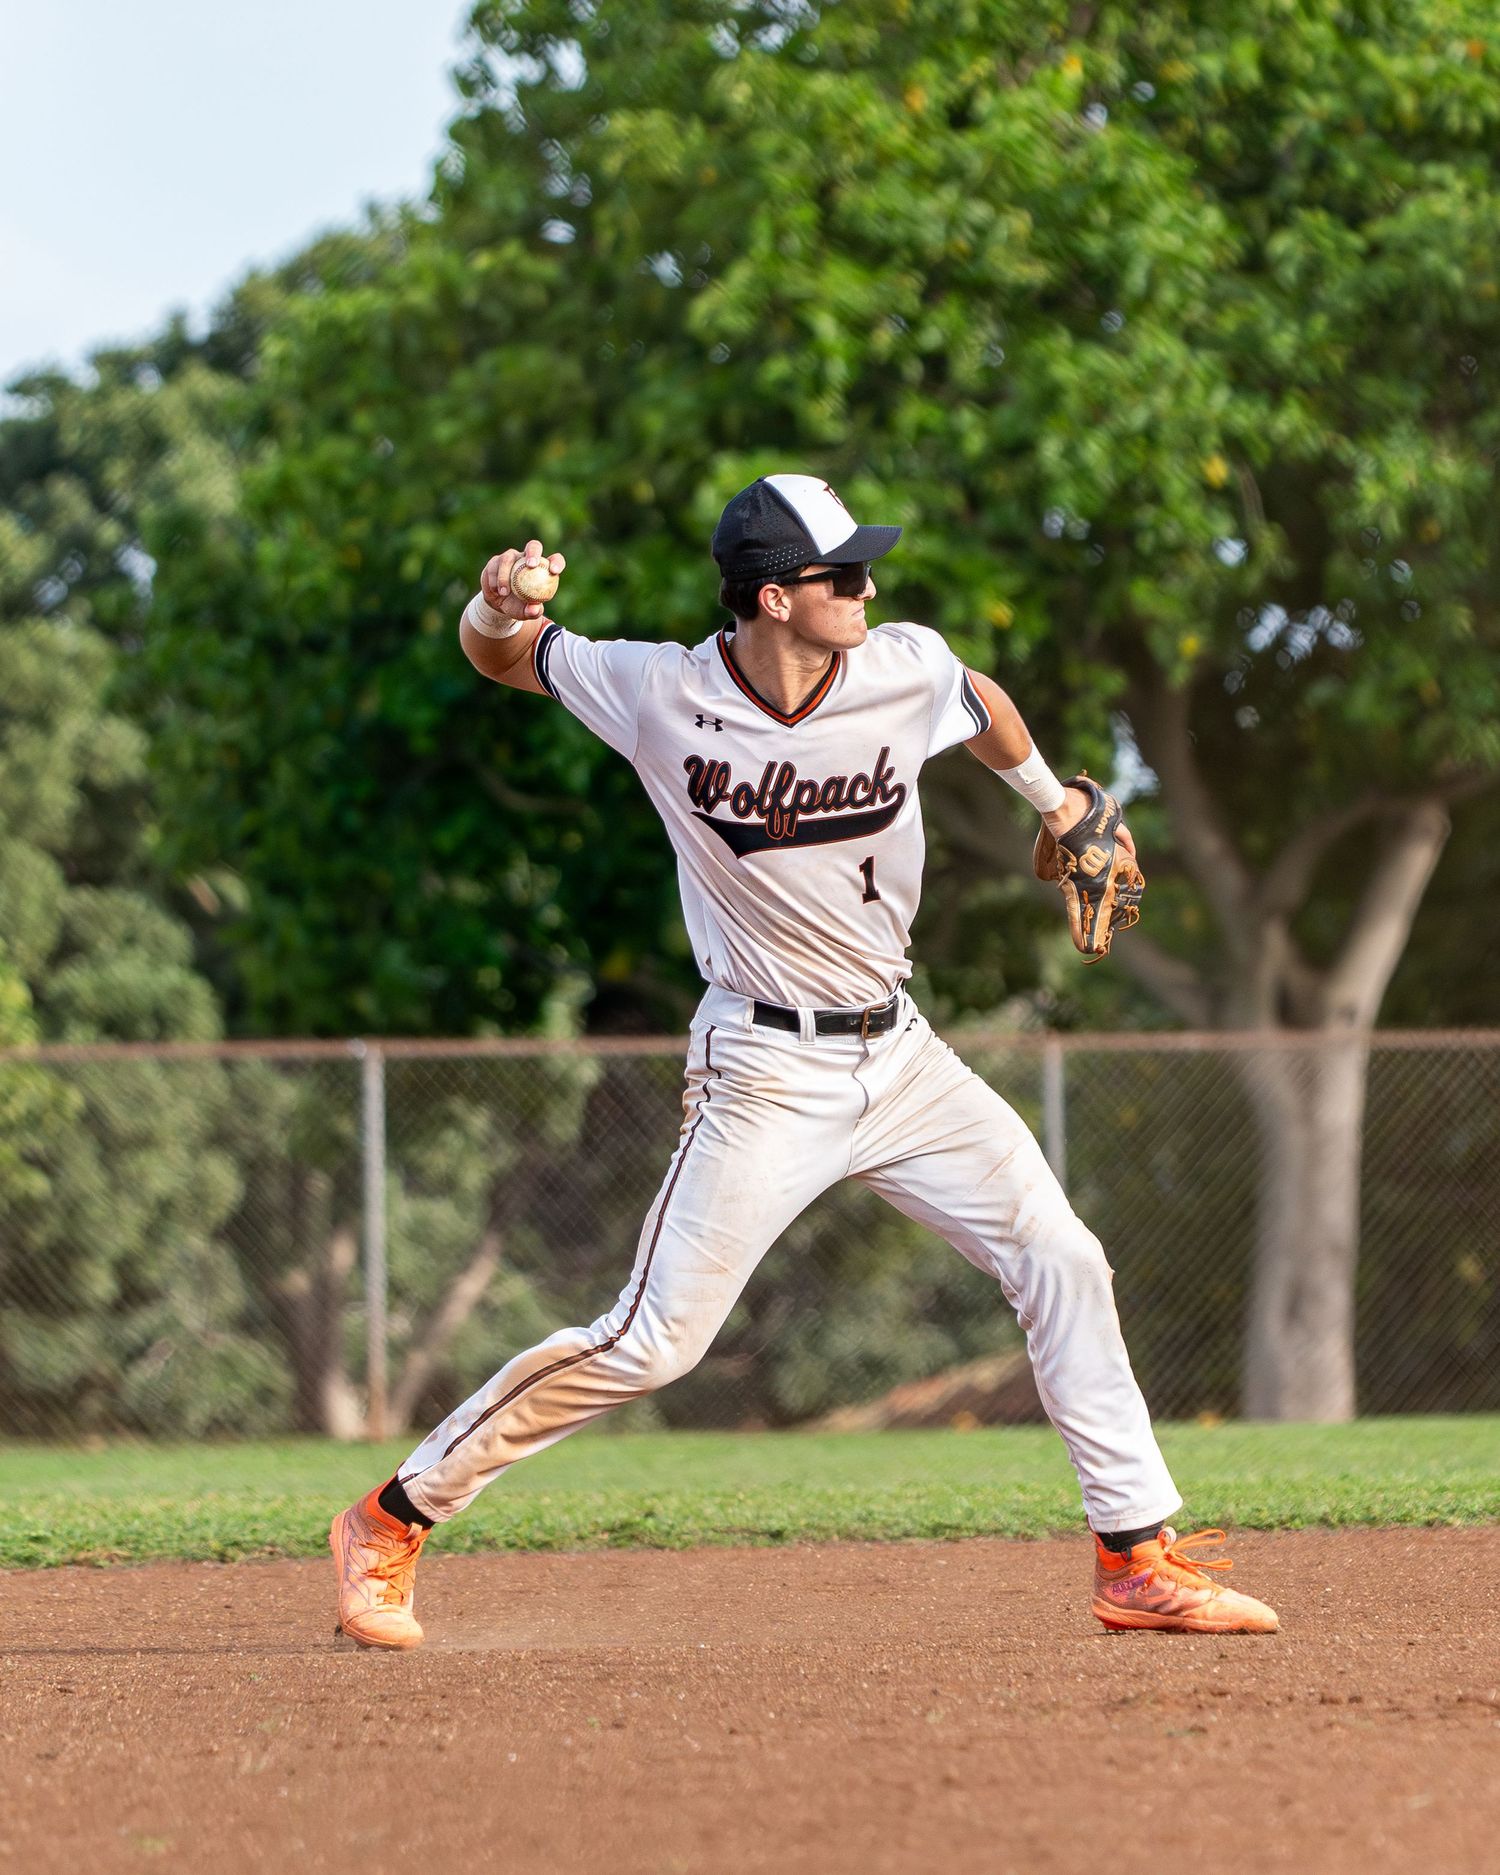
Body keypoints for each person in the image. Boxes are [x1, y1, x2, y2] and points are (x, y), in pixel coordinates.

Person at [330, 474, 1278, 1647]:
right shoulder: (660, 693)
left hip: (905, 1057)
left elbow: (978, 702)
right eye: (844, 575)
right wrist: (492, 604)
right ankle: (393, 1515)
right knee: (652, 1343)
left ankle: (1137, 1561)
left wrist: (1055, 800)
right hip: (763, 1070)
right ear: (775, 597)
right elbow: (506, 656)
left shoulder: (904, 665)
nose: (869, 589)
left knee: (1063, 1258)